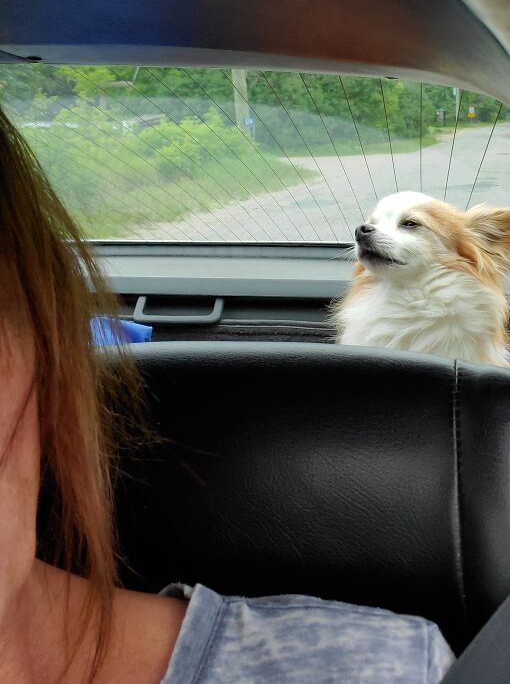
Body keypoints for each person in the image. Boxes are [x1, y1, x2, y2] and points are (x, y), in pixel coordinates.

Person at [0, 104, 455, 683]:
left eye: (410, 225)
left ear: (49, 351)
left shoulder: (389, 668)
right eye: (376, 222)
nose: (371, 232)